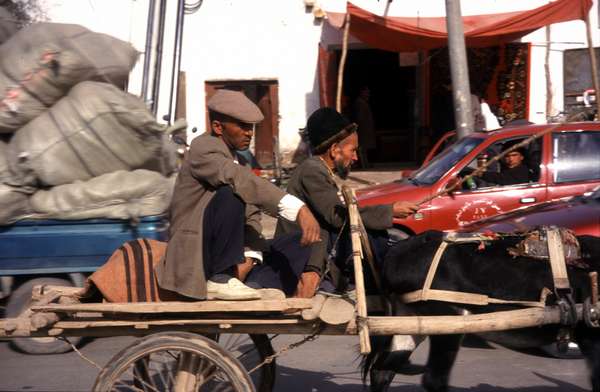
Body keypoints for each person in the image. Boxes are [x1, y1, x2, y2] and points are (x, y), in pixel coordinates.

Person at [155, 89, 321, 301]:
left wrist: (251, 256)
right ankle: (220, 279)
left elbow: (252, 215)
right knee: (230, 192)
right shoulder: (203, 148)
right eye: (242, 126)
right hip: (196, 250)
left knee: (298, 242)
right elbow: (238, 179)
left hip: (230, 254)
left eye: (251, 127)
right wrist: (298, 208)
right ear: (218, 127)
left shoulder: (237, 159)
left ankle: (255, 283)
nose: (249, 133)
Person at [276, 107, 419, 298]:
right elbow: (337, 216)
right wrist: (389, 211)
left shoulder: (320, 170)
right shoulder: (312, 171)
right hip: (302, 256)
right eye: (352, 150)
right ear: (335, 150)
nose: (355, 157)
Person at [352, 86, 377, 168]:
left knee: (364, 148)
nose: (368, 95)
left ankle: (365, 164)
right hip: (363, 130)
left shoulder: (363, 103)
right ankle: (363, 165)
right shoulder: (360, 103)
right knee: (362, 148)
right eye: (366, 92)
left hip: (365, 130)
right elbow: (360, 117)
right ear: (362, 93)